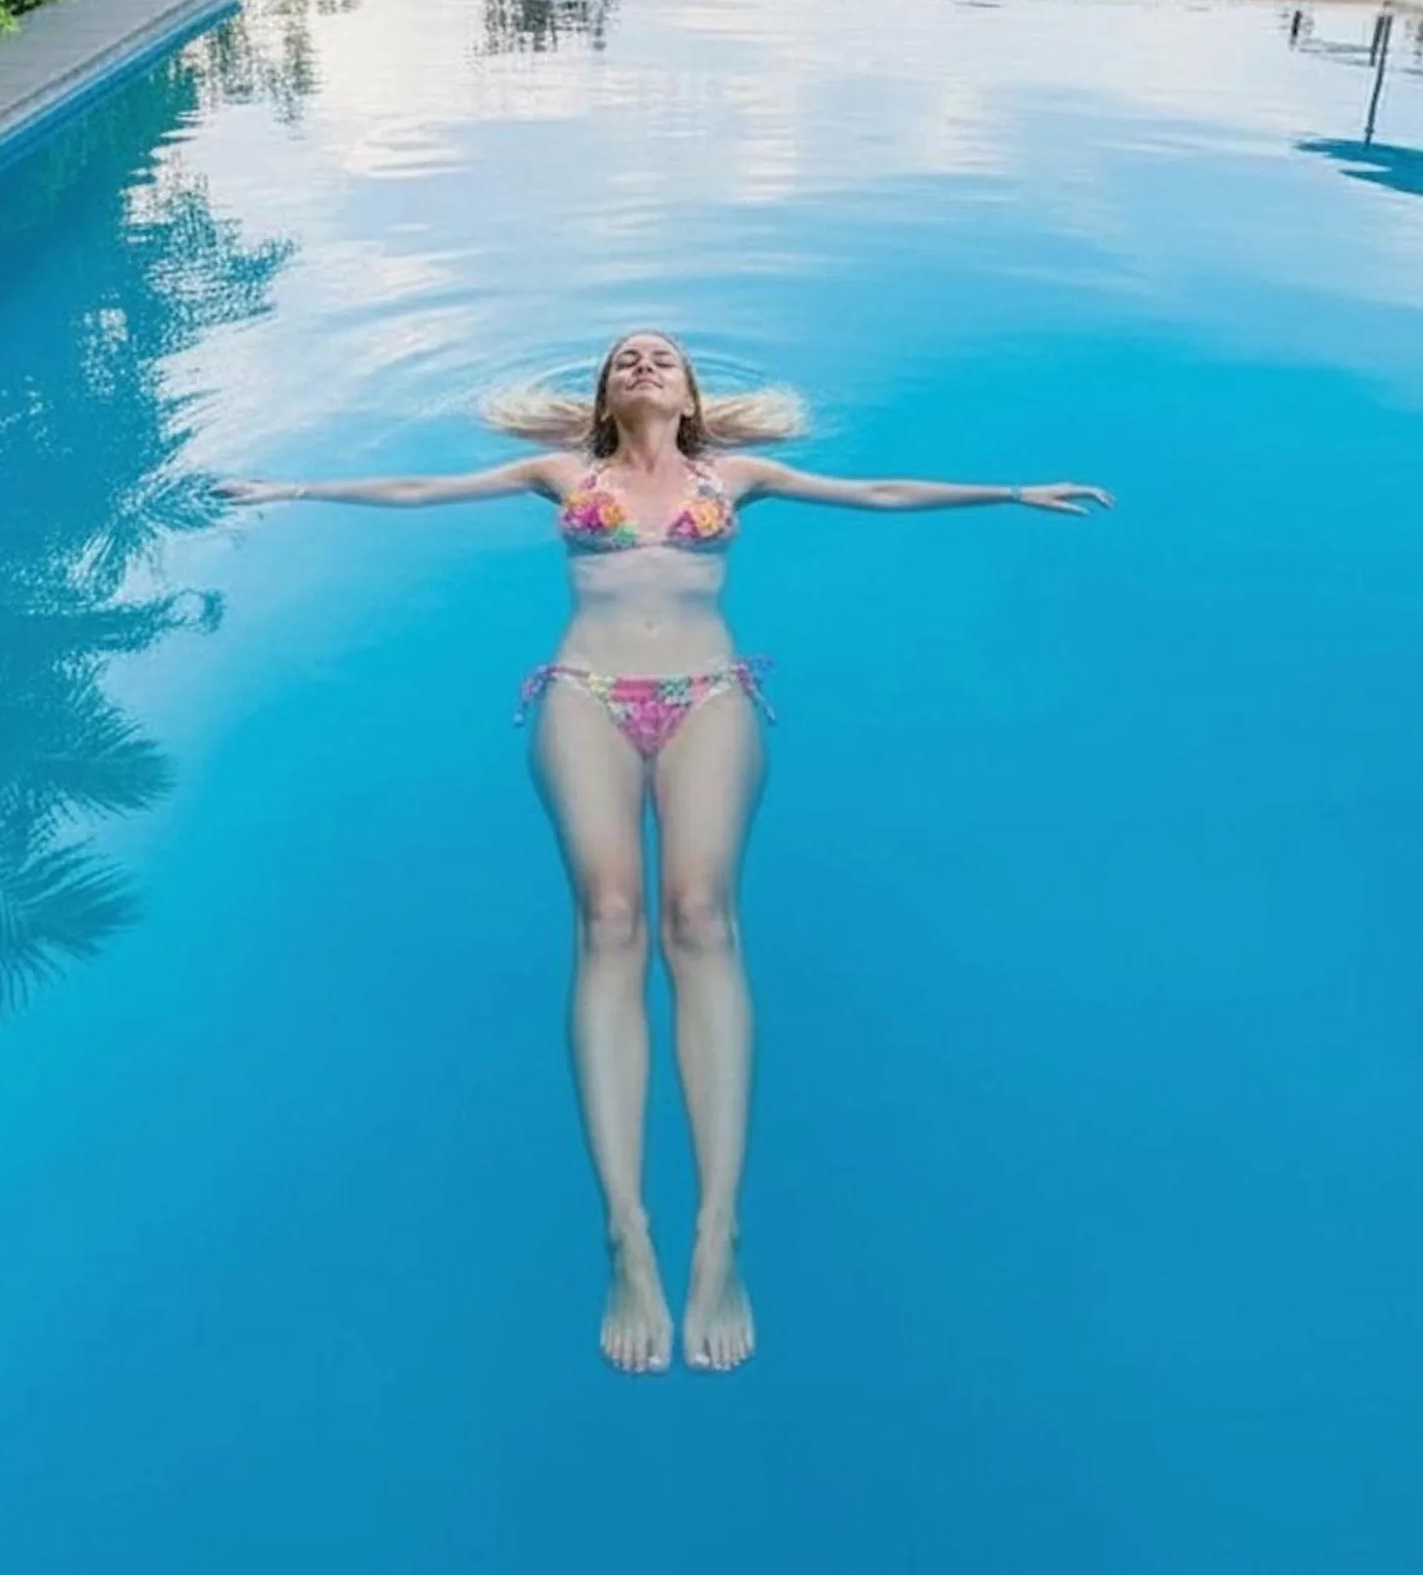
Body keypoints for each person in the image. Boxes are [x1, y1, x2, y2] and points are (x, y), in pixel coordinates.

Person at [217, 331, 1111, 1376]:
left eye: (663, 357)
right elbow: (421, 487)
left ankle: (716, 1229)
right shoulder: (564, 474)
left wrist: (1006, 492)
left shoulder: (738, 475)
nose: (643, 363)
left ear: (691, 393)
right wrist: (295, 487)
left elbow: (876, 491)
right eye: (625, 358)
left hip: (709, 698)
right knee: (608, 921)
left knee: (700, 920)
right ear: (604, 393)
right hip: (586, 696)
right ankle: (626, 1229)